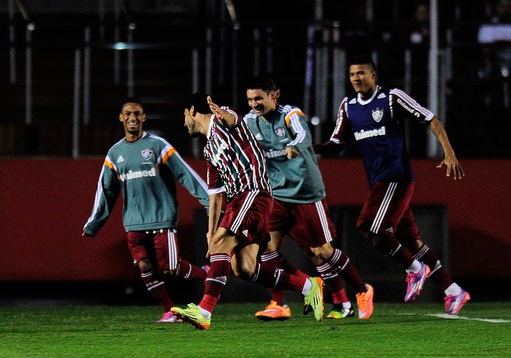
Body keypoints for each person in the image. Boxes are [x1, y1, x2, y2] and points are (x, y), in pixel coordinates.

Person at [314, 55, 470, 315]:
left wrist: (449, 152)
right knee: (413, 241)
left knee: (369, 227)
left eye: (362, 73)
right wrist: (310, 148)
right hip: (378, 182)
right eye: (352, 74)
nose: (356, 78)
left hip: (396, 176)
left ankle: (415, 270)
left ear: (374, 75)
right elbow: (336, 145)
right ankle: (453, 290)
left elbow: (430, 118)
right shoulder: (348, 106)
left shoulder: (391, 98)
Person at [170, 92, 325, 330]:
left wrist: (220, 112)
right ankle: (309, 286)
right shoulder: (210, 150)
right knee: (244, 268)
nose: (183, 123)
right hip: (238, 201)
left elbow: (232, 118)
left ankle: (204, 311)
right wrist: (210, 232)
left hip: (253, 193)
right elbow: (215, 196)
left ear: (192, 110)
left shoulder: (225, 123)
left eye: (183, 116)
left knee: (222, 245)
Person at [244, 74, 374, 321]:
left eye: (258, 98)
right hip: (276, 195)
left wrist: (294, 144)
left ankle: (360, 291)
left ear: (274, 95)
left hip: (305, 194)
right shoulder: (251, 121)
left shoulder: (290, 114)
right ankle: (278, 303)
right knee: (267, 248)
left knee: (321, 252)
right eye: (250, 99)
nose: (254, 104)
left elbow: (304, 137)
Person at [82, 96, 210, 323]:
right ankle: (171, 310)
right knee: (144, 266)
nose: (132, 118)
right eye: (128, 114)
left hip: (161, 218)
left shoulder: (158, 146)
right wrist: (94, 223)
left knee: (171, 269)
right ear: (121, 118)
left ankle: (205, 275)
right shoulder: (114, 154)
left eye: (137, 114)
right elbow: (106, 191)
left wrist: (209, 201)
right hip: (133, 222)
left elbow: (185, 174)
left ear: (144, 118)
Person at [477, 0, 511, 109]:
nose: (505, 9)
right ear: (497, 7)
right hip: (494, 61)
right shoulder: (489, 23)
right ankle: (490, 104)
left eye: (508, 6)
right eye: (503, 6)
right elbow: (485, 46)